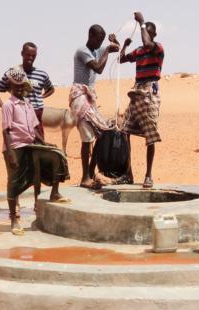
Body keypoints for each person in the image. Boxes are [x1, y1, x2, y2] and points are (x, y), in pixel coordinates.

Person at [2, 67, 71, 235]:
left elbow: (34, 129)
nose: (19, 89)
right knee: (14, 181)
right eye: (15, 86)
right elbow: (6, 131)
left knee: (56, 156)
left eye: (21, 86)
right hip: (16, 147)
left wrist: (45, 143)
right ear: (10, 87)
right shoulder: (8, 105)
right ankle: (13, 219)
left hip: (31, 145)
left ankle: (54, 192)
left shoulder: (27, 104)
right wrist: (10, 153)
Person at [70, 24, 119, 189]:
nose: (100, 43)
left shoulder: (98, 49)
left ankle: (90, 174)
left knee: (103, 133)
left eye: (102, 41)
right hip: (79, 96)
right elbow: (98, 68)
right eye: (99, 39)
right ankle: (85, 177)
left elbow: (116, 48)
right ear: (90, 35)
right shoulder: (82, 51)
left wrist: (114, 41)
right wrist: (106, 50)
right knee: (87, 137)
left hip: (89, 97)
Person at [119, 11, 164, 188]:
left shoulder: (157, 47)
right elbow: (122, 59)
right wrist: (123, 45)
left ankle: (148, 175)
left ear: (152, 35)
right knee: (125, 131)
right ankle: (127, 173)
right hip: (137, 90)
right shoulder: (138, 51)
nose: (145, 34)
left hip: (150, 92)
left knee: (150, 134)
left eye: (148, 32)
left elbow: (147, 42)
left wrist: (142, 22)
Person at [0, 42, 55, 138]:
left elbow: (51, 89)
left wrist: (40, 97)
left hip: (37, 113)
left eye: (33, 55)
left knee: (39, 144)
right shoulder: (13, 73)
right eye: (28, 55)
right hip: (18, 115)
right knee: (19, 144)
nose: (30, 58)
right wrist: (4, 107)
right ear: (22, 53)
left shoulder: (42, 74)